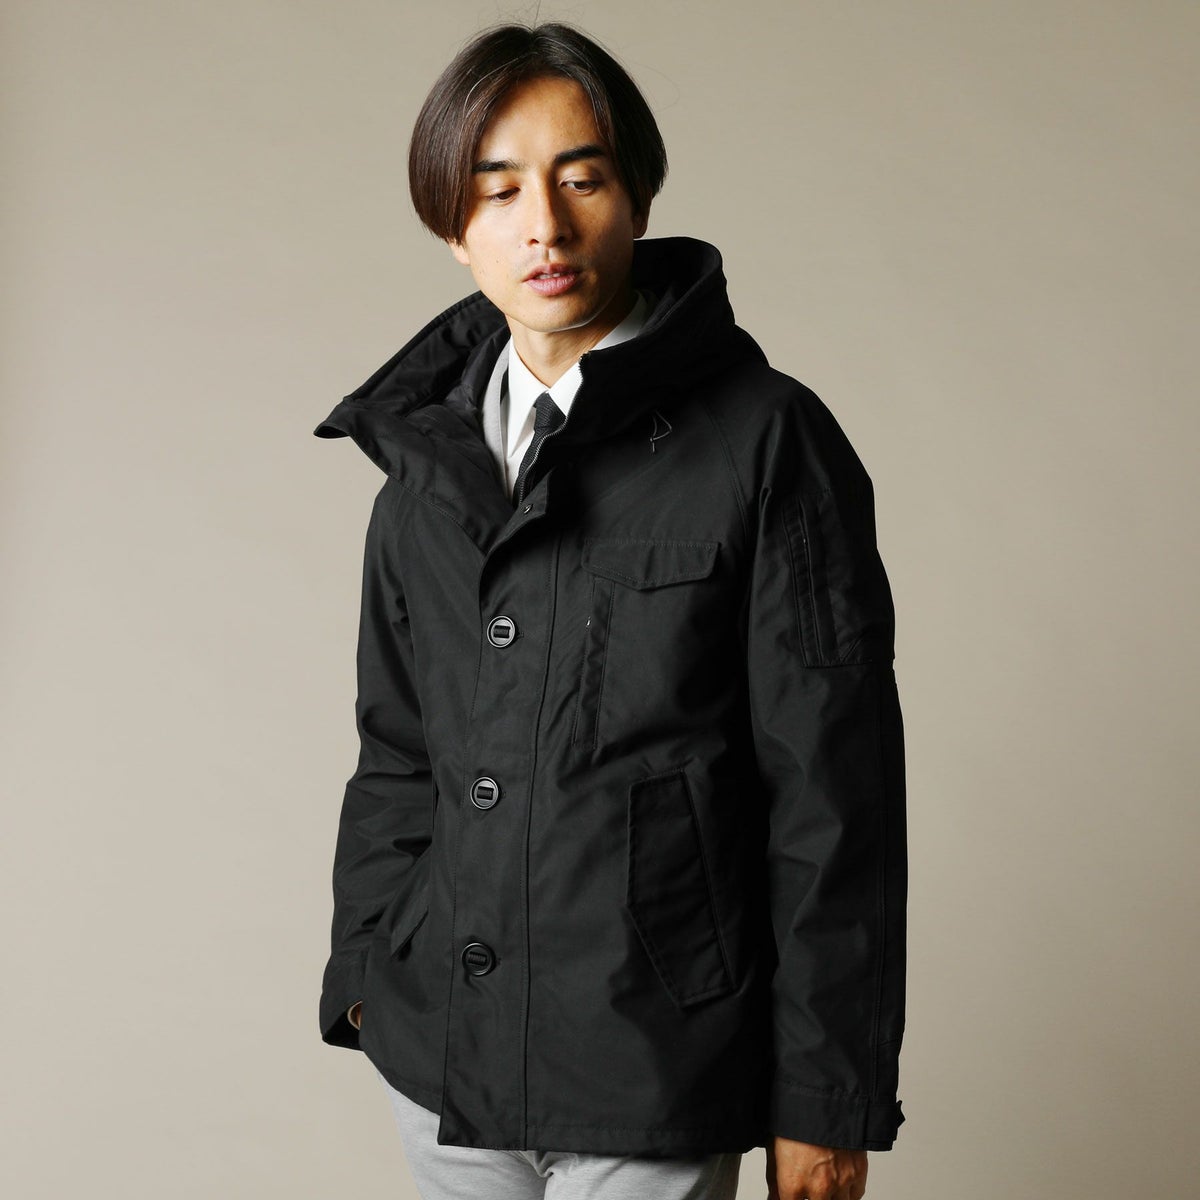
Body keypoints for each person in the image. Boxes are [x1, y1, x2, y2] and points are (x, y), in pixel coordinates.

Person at [314, 22, 906, 1200]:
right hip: (444, 1065)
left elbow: (832, 795)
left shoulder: (765, 441)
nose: (544, 224)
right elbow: (399, 753)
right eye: (499, 190)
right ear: (453, 227)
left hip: (656, 1065)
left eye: (581, 179)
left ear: (635, 195)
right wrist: (368, 971)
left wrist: (826, 1096)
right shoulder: (423, 470)